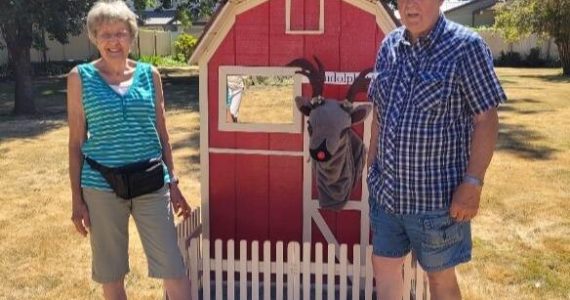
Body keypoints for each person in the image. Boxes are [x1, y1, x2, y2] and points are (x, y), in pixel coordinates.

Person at [367, 0, 506, 299]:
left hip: (436, 202)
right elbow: (379, 113)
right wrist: (371, 168)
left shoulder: (465, 47)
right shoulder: (390, 45)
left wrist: (473, 183)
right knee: (384, 266)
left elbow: (486, 119)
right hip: (387, 197)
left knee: (440, 279)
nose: (410, 6)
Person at [67, 1, 192, 299]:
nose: (113, 41)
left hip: (151, 181)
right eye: (105, 34)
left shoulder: (150, 75)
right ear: (94, 38)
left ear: (131, 36)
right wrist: (77, 200)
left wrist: (172, 182)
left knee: (173, 267)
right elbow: (75, 143)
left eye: (120, 33)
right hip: (102, 186)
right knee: (111, 273)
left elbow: (162, 133)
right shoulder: (80, 78)